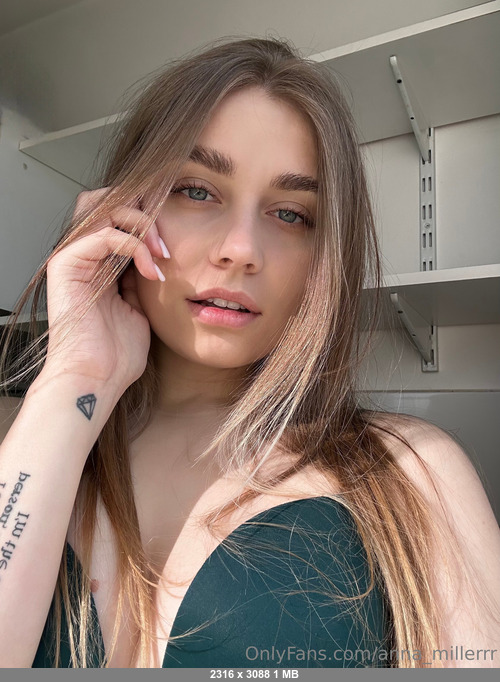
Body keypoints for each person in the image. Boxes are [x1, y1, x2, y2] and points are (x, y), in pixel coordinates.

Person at [0, 36, 499, 670]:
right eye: (196, 190)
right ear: (123, 210)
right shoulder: (29, 443)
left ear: (325, 258)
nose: (241, 249)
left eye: (290, 214)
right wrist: (74, 376)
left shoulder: (410, 473)